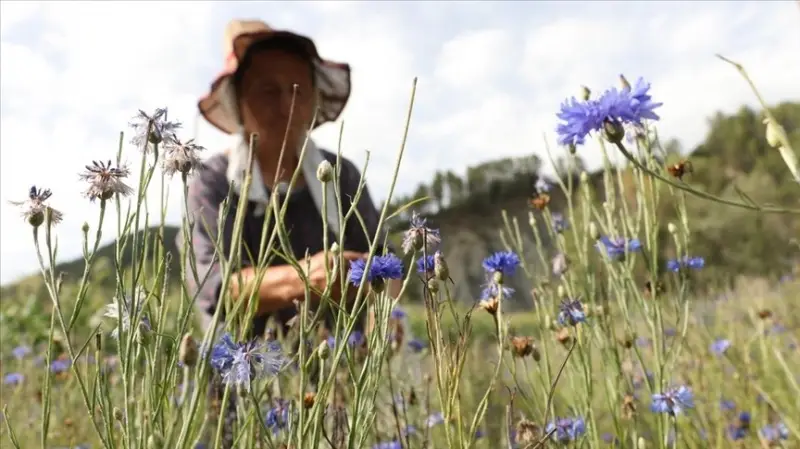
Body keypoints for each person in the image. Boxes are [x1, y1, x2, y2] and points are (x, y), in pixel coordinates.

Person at [181, 19, 401, 340]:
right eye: (268, 91)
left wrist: (385, 304)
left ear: (314, 98)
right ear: (239, 101)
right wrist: (305, 279)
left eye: (298, 90)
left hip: (340, 369)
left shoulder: (342, 175)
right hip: (245, 374)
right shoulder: (213, 182)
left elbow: (386, 260)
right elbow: (214, 287)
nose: (286, 106)